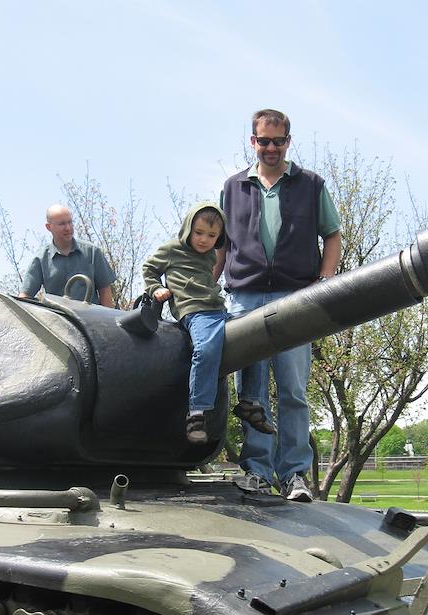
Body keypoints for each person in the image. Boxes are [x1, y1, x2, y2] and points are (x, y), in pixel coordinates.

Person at [216, 109, 342, 502]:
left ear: (288, 141)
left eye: (278, 141)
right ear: (252, 141)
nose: (271, 148)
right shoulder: (233, 187)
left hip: (295, 297)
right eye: (264, 141)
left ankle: (294, 474)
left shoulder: (311, 184)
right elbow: (221, 246)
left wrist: (325, 281)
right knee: (251, 395)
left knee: (292, 390)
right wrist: (205, 287)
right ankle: (256, 471)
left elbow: (332, 235)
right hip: (244, 299)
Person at [142, 202, 273, 445]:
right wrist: (156, 288)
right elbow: (149, 268)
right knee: (207, 349)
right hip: (193, 310)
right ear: (188, 228)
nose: (204, 240)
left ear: (219, 237)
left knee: (255, 338)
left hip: (217, 309)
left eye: (211, 236)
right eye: (199, 233)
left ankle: (249, 401)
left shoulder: (210, 255)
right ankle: (197, 413)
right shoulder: (172, 249)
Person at [19, 204, 116, 306]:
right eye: (62, 224)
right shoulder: (41, 259)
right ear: (49, 227)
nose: (68, 228)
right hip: (56, 315)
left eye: (70, 222)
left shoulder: (92, 252)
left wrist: (105, 316)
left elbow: (105, 291)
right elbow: (25, 296)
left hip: (89, 315)